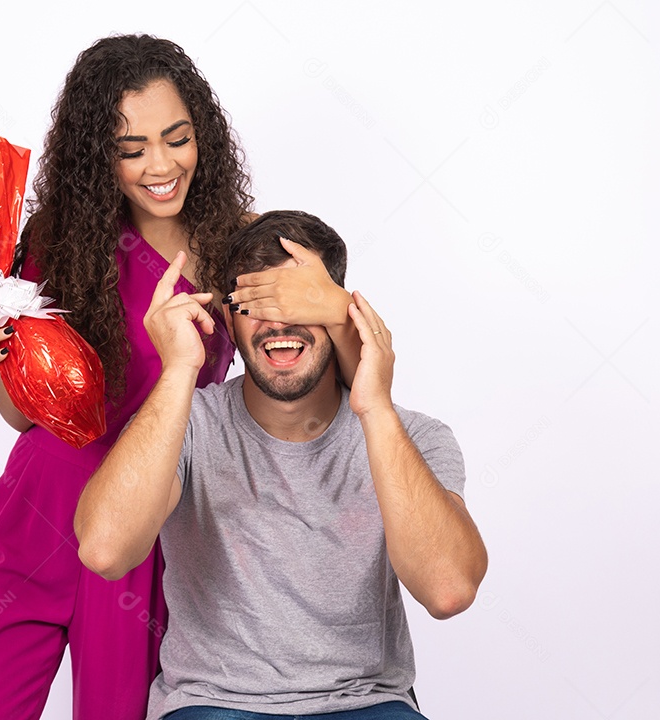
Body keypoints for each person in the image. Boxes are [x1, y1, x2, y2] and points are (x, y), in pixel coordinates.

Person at [0, 38, 358, 719]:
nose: (161, 166)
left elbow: (334, 377)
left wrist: (334, 309)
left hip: (148, 517)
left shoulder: (241, 244)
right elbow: (18, 414)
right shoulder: (58, 239)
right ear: (96, 156)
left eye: (177, 139)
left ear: (203, 134)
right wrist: (6, 360)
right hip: (36, 510)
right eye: (131, 148)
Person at [75, 210, 489, 719]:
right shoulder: (186, 425)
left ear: (341, 315)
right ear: (227, 318)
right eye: (253, 303)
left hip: (367, 702)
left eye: (297, 300)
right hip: (213, 703)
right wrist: (180, 367)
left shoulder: (414, 437)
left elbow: (449, 590)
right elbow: (104, 550)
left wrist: (376, 406)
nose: (277, 323)